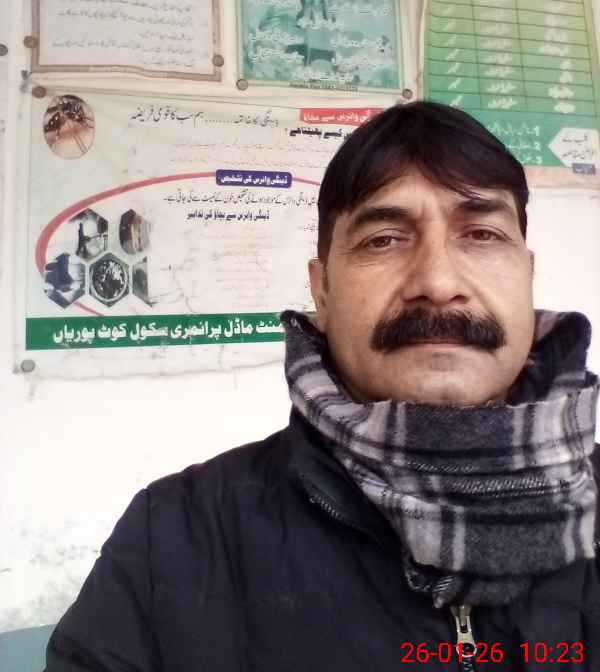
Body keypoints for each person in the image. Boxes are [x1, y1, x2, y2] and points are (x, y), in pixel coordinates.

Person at [45, 102, 600, 671]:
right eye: (384, 240)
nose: (437, 282)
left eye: (482, 234)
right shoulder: (170, 537)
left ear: (528, 274)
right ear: (323, 292)